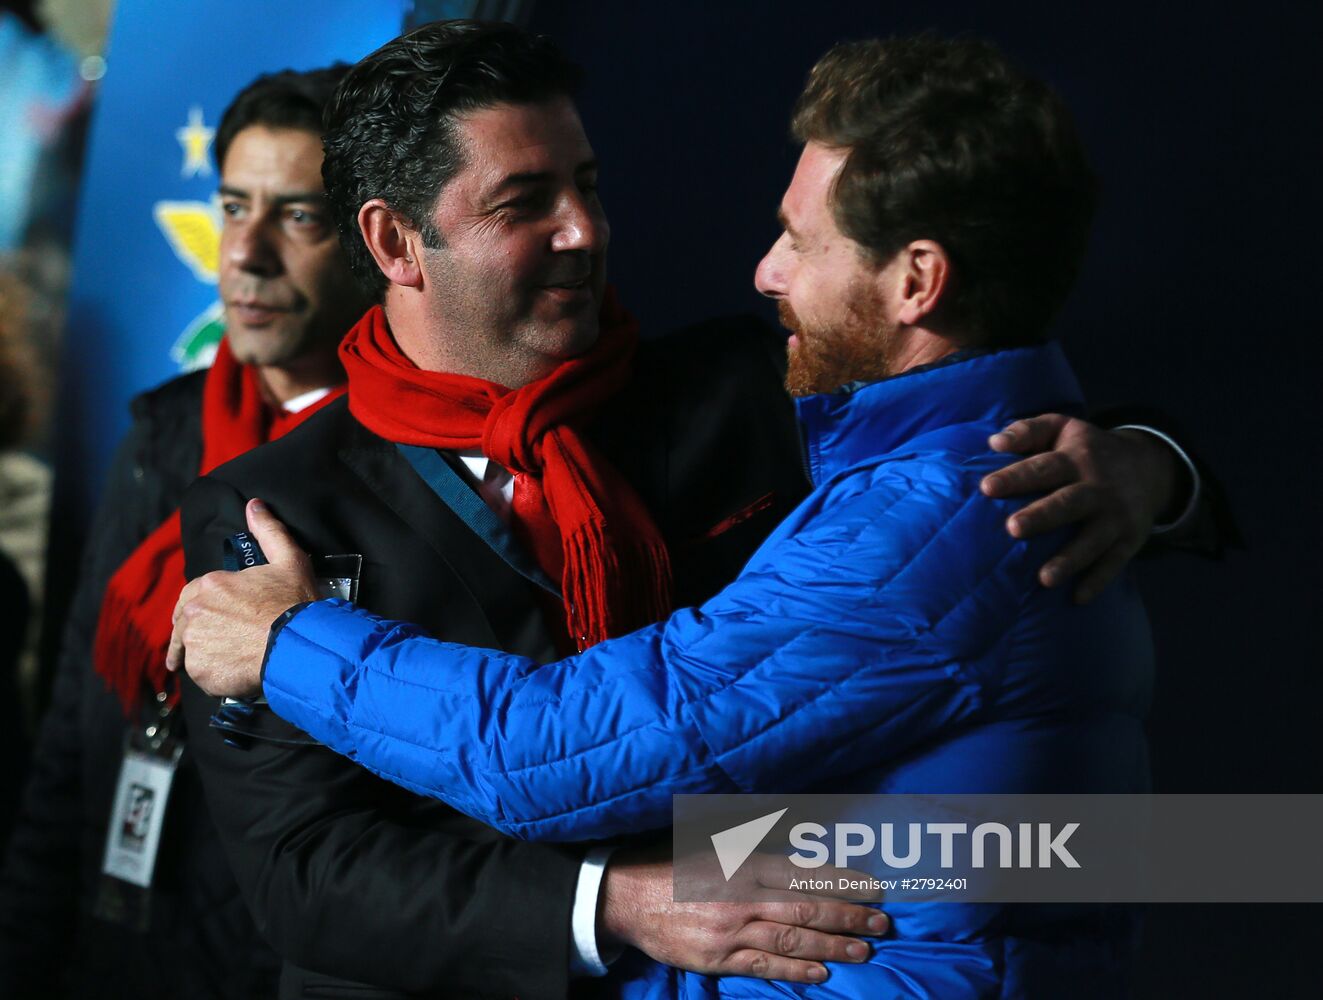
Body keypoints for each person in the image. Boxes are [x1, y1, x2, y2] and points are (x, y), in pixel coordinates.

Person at [172, 21, 1207, 998]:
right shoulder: (268, 509)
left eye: (586, 184)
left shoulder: (766, 391)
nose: (584, 230)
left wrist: (1145, 464)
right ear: (397, 241)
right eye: (524, 201)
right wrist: (608, 906)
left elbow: (549, 747)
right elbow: (305, 871)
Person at [0, 66, 367, 999]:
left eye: (296, 216)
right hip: (114, 948)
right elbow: (73, 735)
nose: (244, 252)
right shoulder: (161, 433)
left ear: (373, 242)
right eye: (233, 206)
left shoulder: (397, 471)